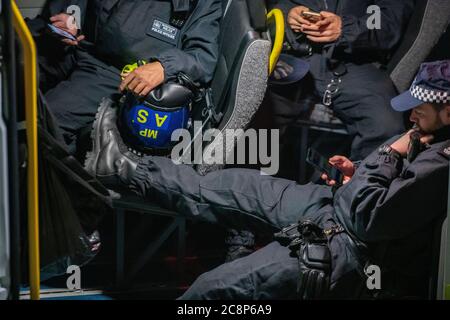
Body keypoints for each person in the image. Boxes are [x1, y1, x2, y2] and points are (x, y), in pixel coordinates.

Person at [86, 59, 450, 299]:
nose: (412, 112)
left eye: (423, 105)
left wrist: (388, 155)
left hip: (350, 248)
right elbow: (374, 190)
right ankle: (119, 167)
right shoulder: (425, 134)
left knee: (213, 290)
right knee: (223, 188)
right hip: (333, 205)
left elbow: (369, 220)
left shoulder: (440, 163)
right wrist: (357, 171)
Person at [27, 0, 222, 154]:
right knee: (13, 74)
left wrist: (164, 66)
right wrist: (72, 18)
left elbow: (202, 56)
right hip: (73, 46)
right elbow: (76, 7)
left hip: (116, 74)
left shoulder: (200, 3)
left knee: (44, 120)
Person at [264, 0, 415, 161]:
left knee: (384, 123)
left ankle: (360, 182)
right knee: (254, 104)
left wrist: (345, 29)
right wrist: (288, 14)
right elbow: (263, 6)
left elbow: (388, 23)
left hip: (350, 60)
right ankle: (241, 178)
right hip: (291, 53)